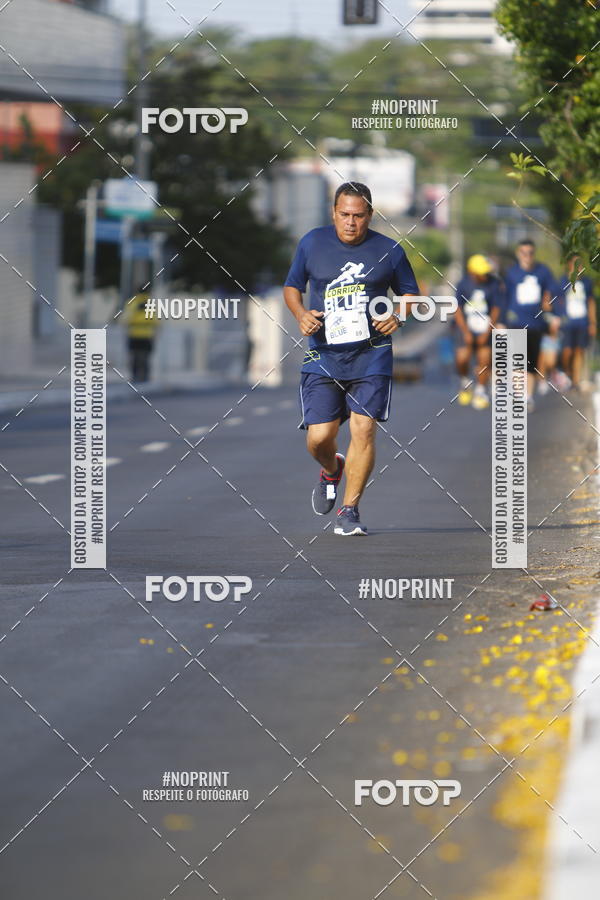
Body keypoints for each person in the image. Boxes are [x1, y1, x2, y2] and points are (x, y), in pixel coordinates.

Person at [284, 182, 419, 536]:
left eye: (359, 216)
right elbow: (292, 286)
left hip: (371, 355)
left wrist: (398, 316)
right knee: (319, 438)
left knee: (364, 429)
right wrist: (300, 313)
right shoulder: (312, 242)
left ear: (370, 216)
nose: (351, 223)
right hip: (323, 354)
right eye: (344, 215)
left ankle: (349, 510)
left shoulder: (389, 250)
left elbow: (409, 293)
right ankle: (331, 469)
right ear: (334, 213)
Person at [503, 239, 558, 412]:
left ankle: (528, 396)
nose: (527, 256)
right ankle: (519, 396)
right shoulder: (511, 273)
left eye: (530, 253)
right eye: (524, 253)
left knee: (531, 363)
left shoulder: (543, 271)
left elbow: (554, 292)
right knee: (518, 361)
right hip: (515, 322)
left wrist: (550, 307)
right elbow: (504, 298)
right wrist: (502, 322)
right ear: (518, 253)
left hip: (536, 323)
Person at [454, 254, 502, 410]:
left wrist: (487, 332)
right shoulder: (463, 284)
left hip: (485, 329)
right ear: (472, 272)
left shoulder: (493, 284)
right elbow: (458, 309)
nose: (484, 275)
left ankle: (481, 391)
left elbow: (496, 308)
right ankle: (465, 381)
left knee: (484, 359)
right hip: (467, 327)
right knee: (462, 358)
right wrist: (465, 332)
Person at [559, 256, 596, 390]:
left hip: (582, 322)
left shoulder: (586, 282)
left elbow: (591, 302)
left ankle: (575, 380)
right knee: (567, 351)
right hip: (567, 322)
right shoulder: (563, 281)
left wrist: (592, 323)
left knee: (579, 350)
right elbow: (557, 300)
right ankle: (567, 371)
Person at [126, 287, 159, 383]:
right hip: (147, 335)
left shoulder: (132, 303)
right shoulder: (152, 303)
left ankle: (135, 376)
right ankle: (145, 377)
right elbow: (156, 321)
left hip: (134, 334)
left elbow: (126, 319)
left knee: (134, 357)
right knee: (145, 358)